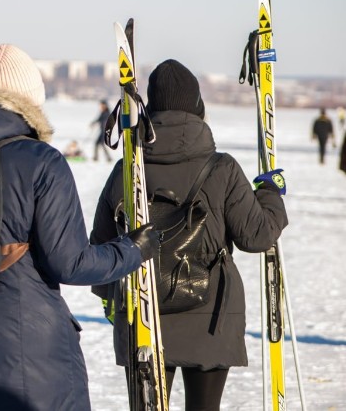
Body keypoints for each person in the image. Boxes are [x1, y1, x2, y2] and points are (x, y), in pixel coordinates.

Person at [0, 44, 160, 411]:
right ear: (31, 102)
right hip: (26, 354)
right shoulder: (41, 162)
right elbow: (69, 262)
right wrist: (131, 250)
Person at [90, 59, 288, 410]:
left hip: (143, 316)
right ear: (199, 108)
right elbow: (257, 237)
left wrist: (112, 303)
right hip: (211, 318)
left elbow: (102, 249)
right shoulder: (222, 168)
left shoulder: (125, 171)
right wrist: (270, 191)